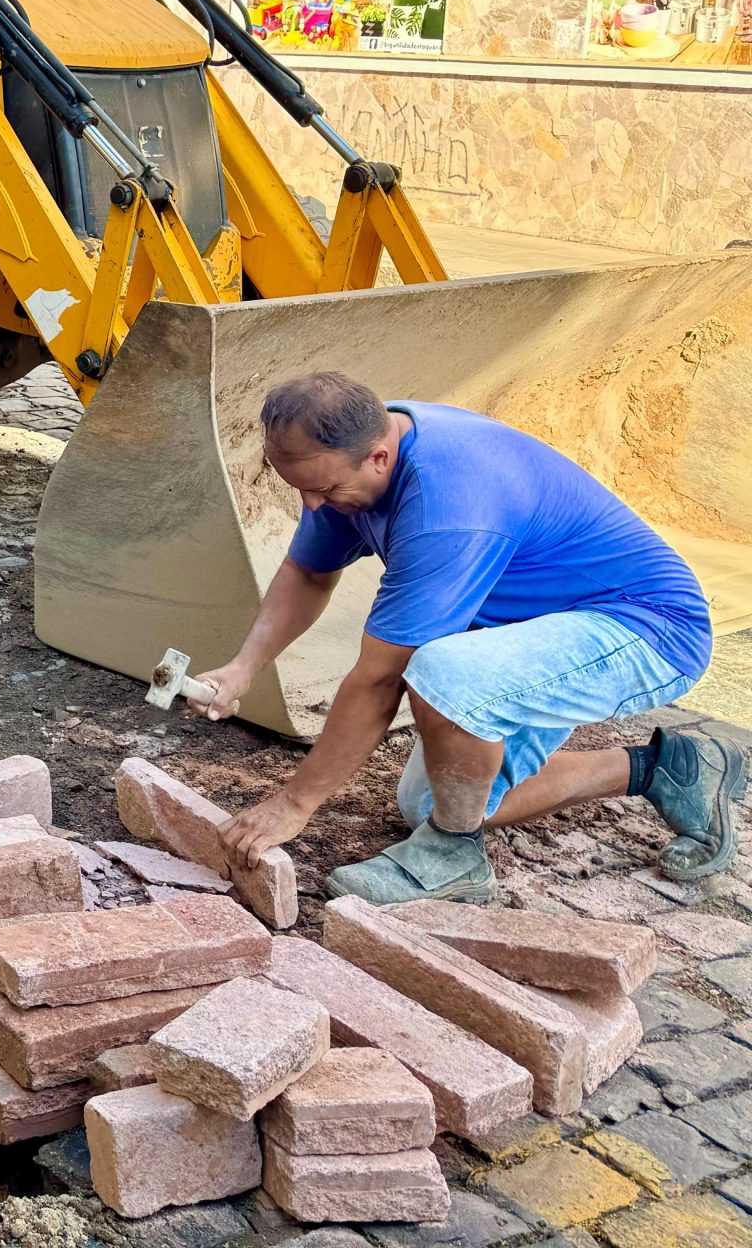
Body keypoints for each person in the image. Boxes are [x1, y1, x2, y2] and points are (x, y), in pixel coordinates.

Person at [197, 372, 737, 904]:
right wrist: (244, 666)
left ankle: (454, 857)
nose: (313, 506)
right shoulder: (355, 454)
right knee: (440, 798)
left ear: (379, 457)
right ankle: (665, 769)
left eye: (325, 490)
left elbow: (382, 676)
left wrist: (293, 804)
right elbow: (310, 572)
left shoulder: (445, 502)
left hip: (645, 627)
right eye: (303, 491)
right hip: (537, 625)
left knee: (443, 675)